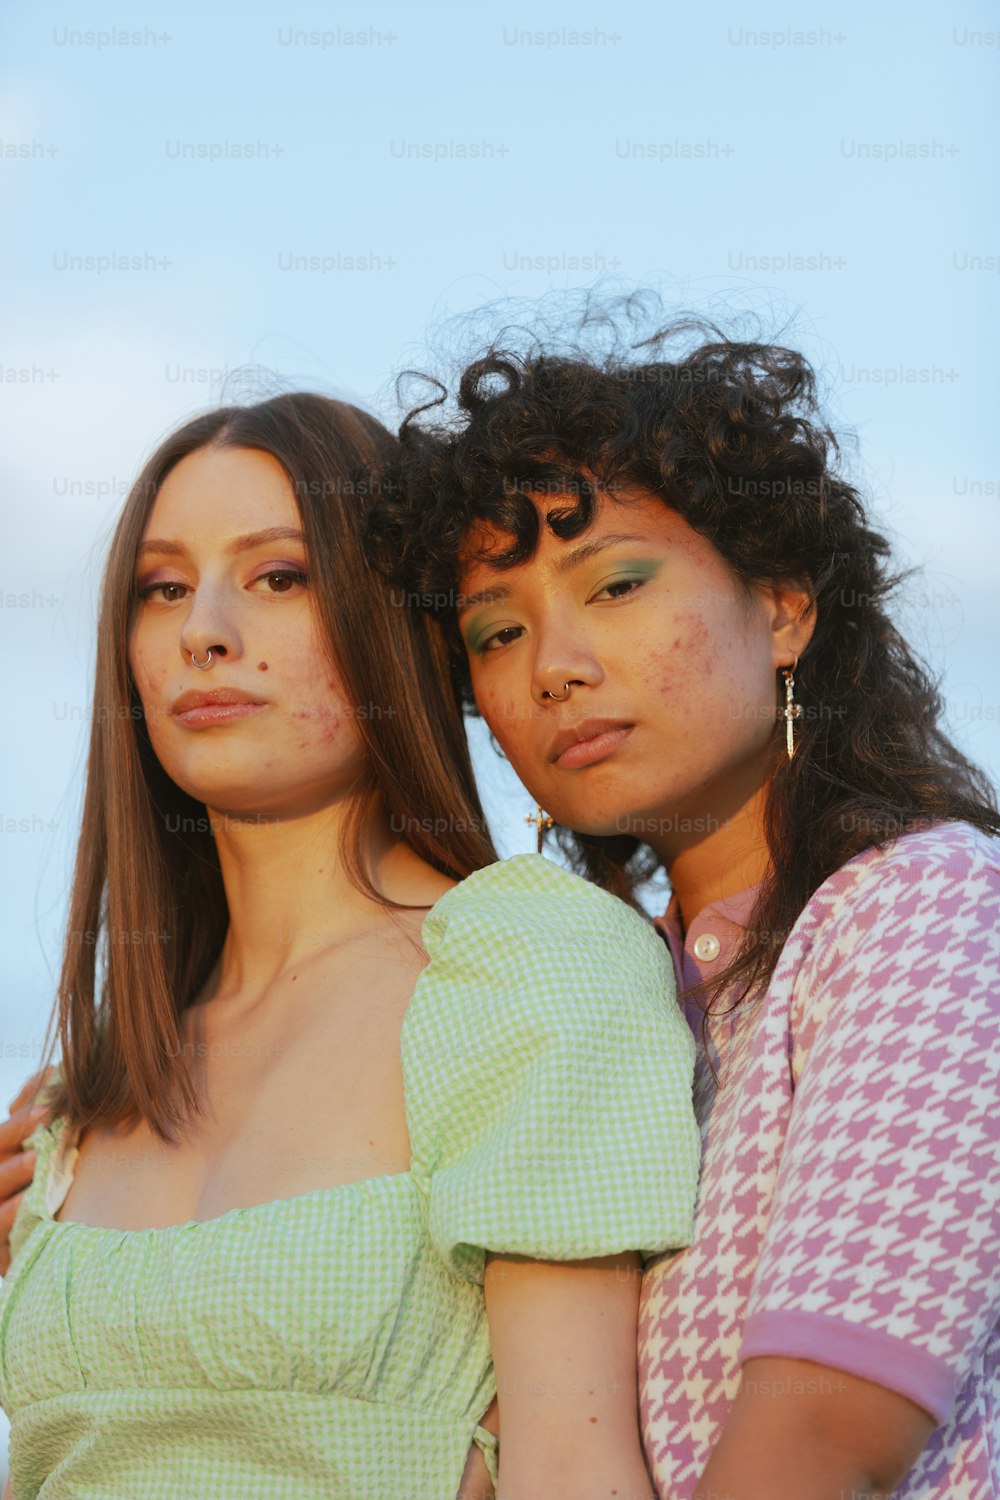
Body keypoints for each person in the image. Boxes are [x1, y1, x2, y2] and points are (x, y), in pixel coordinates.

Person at [0, 393, 701, 1499]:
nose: (203, 631)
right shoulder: (85, 1094)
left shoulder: (520, 959)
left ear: (388, 623)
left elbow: (575, 1469)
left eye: (279, 576)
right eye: (162, 588)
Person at [368, 315, 1000, 1500]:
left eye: (614, 584)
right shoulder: (587, 994)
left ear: (782, 608)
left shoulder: (923, 905)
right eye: (495, 634)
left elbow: (822, 1449)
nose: (552, 663)